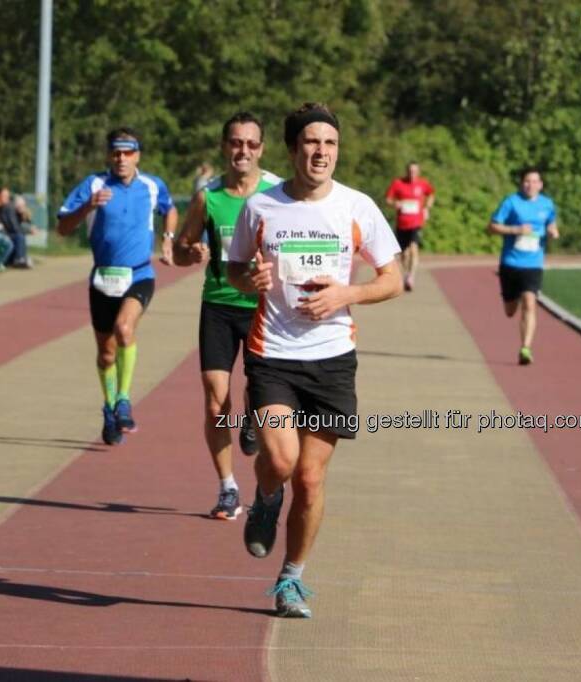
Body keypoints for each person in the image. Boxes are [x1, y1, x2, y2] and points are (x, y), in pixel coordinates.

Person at [227, 102, 402, 618]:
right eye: (311, 142)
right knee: (279, 462)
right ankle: (263, 497)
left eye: (330, 143)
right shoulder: (261, 207)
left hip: (332, 359)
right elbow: (236, 270)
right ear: (293, 149)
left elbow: (391, 280)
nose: (322, 151)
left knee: (309, 479)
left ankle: (291, 580)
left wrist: (345, 294)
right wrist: (249, 281)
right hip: (274, 355)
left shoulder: (357, 207)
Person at [173, 112, 280, 521]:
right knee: (216, 402)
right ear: (224, 146)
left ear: (262, 149)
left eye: (252, 144)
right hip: (218, 305)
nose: (243, 151)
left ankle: (253, 419)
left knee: (260, 394)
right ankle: (228, 488)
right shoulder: (208, 196)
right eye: (236, 143)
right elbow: (182, 248)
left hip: (263, 309)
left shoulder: (276, 193)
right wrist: (190, 253)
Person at [56, 127, 178, 445]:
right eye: (116, 152)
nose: (121, 158)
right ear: (109, 155)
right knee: (106, 354)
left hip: (139, 274)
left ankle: (124, 399)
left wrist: (168, 239)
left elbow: (170, 208)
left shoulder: (153, 186)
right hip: (102, 278)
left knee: (125, 329)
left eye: (127, 152)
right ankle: (110, 408)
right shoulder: (94, 185)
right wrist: (89, 207)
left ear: (138, 155)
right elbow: (63, 228)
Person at [487, 166, 559, 366]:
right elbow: (492, 227)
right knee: (510, 311)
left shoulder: (547, 204)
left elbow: (551, 222)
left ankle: (525, 348)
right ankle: (513, 297)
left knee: (530, 302)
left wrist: (553, 230)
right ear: (522, 183)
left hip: (533, 263)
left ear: (541, 185)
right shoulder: (511, 202)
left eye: (535, 181)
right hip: (510, 262)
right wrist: (515, 229)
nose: (531, 185)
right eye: (527, 181)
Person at [384, 161, 434, 292]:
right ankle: (406, 274)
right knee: (404, 254)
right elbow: (388, 199)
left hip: (416, 222)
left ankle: (411, 277)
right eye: (410, 171)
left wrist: (427, 208)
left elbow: (431, 194)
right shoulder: (398, 183)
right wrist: (396, 203)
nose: (412, 173)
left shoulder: (423, 184)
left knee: (413, 248)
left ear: (418, 172)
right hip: (402, 222)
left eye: (415, 171)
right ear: (407, 171)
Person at [0, 187, 32, 268]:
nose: (6, 198)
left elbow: (22, 221)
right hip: (1, 233)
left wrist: (23, 214)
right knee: (19, 236)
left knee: (19, 235)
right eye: (4, 196)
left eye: (7, 196)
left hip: (9, 233)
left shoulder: (10, 207)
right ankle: (19, 259)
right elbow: (12, 226)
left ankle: (20, 259)